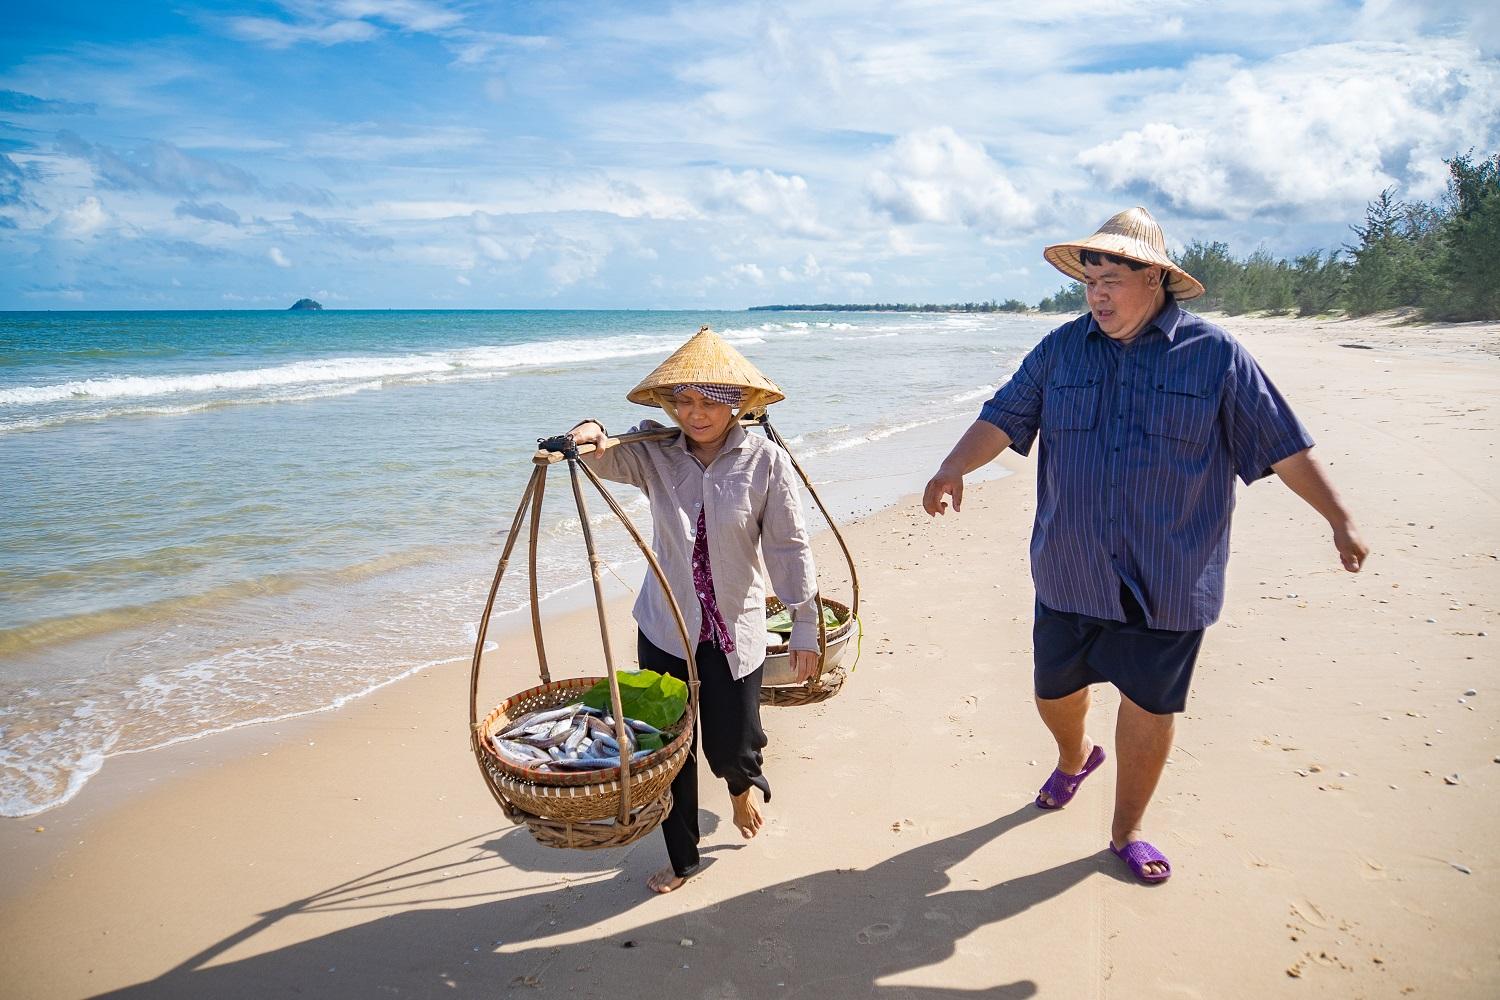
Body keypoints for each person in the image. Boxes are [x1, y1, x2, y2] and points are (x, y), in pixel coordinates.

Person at [922, 207, 1369, 883]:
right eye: (1089, 280)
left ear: (1156, 278)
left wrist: (1338, 517)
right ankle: (1076, 757)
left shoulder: (1215, 357)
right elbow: (1004, 416)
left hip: (1170, 573)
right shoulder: (1059, 351)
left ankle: (1127, 828)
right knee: (1053, 692)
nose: (1097, 293)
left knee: (1150, 705)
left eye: (1112, 280)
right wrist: (954, 466)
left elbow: (1284, 445)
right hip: (1070, 569)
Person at [569, 325, 820, 894]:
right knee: (669, 749)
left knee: (734, 744)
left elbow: (788, 545)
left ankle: (739, 788)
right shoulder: (653, 453)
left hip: (734, 630)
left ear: (740, 403)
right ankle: (683, 857)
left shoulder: (766, 462)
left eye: (711, 401)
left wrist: (804, 622)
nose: (696, 413)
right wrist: (589, 433)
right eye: (684, 400)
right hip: (665, 627)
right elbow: (602, 458)